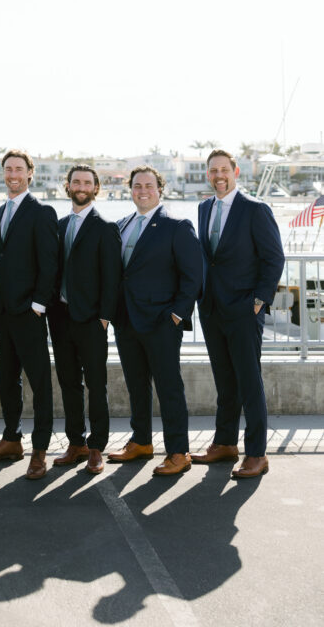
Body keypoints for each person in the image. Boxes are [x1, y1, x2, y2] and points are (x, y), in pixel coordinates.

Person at [192, 149, 285, 479]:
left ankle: (256, 453)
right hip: (211, 309)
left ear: (236, 172)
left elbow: (274, 258)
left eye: (224, 169)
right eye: (213, 170)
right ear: (208, 175)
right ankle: (225, 443)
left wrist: (259, 300)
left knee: (249, 382)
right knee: (224, 381)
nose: (218, 175)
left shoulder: (255, 209)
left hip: (245, 309)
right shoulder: (204, 208)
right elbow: (209, 258)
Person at [108, 166, 203, 476]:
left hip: (161, 322)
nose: (143, 191)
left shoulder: (177, 226)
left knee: (168, 387)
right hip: (126, 320)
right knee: (136, 386)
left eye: (149, 185)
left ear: (160, 189)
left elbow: (193, 275)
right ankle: (141, 441)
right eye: (137, 185)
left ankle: (178, 452)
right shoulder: (121, 225)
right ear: (130, 189)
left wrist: (177, 315)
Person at [0, 149, 58, 480]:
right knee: (7, 379)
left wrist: (39, 305)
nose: (12, 174)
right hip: (2, 312)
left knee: (39, 383)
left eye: (18, 169)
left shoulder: (42, 212)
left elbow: (50, 263)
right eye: (8, 169)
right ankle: (12, 439)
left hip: (29, 312)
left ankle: (40, 450)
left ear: (29, 173)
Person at [48, 164, 121, 475]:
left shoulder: (106, 227)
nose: (80, 187)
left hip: (91, 320)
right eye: (75, 182)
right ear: (68, 186)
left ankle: (96, 447)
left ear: (95, 188)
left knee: (96, 384)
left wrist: (104, 318)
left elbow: (112, 278)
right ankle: (75, 443)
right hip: (60, 317)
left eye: (86, 182)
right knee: (69, 383)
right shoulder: (59, 225)